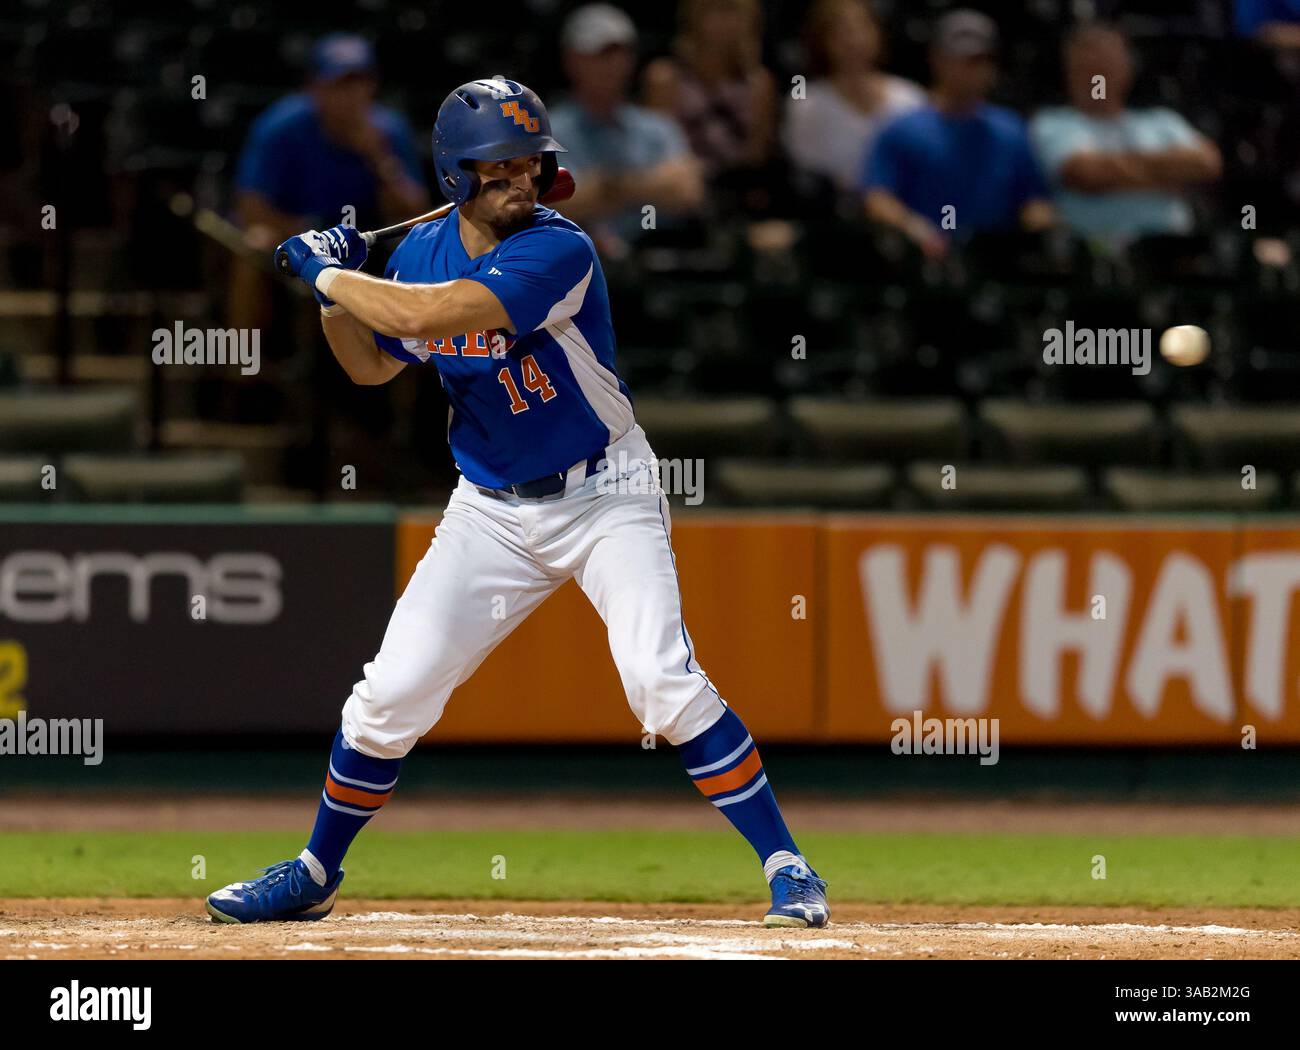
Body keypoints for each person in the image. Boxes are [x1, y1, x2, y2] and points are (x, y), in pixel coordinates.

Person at [205, 77, 829, 930]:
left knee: (658, 681)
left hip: (605, 490)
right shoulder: (418, 252)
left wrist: (325, 271)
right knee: (389, 696)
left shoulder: (558, 247)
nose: (520, 182)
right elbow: (370, 363)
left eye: (530, 165)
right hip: (490, 508)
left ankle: (790, 866)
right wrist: (336, 289)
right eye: (497, 169)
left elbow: (456, 310)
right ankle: (316, 870)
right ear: (455, 172)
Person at [862, 10, 1053, 259]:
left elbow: (1034, 200)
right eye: (963, 60)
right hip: (924, 260)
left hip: (998, 259)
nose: (973, 71)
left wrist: (1041, 227)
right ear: (937, 60)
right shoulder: (901, 130)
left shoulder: (1011, 130)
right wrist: (915, 229)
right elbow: (878, 198)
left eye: (981, 61)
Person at [1030, 24, 1222, 251]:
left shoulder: (1162, 121)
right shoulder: (1053, 124)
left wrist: (1115, 173)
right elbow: (1086, 175)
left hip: (1168, 253)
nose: (1096, 78)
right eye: (1086, 69)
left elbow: (1207, 164)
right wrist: (1168, 174)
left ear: (1127, 69)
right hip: (1090, 255)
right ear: (1068, 72)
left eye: (1104, 67)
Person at [548, 4, 705, 256]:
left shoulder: (657, 127)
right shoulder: (550, 132)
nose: (613, 64)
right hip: (582, 264)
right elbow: (553, 205)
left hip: (660, 256)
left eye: (621, 53)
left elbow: (688, 191)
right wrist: (651, 187)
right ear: (571, 59)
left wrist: (610, 188)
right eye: (601, 54)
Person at [783, 0, 925, 196]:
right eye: (841, 32)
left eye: (862, 28)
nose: (854, 40)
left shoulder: (910, 97)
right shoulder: (806, 104)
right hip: (834, 215)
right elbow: (807, 178)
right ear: (823, 41)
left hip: (904, 210)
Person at [642, 0, 777, 178]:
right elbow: (657, 150)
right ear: (695, 17)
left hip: (738, 187)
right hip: (682, 186)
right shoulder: (665, 78)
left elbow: (756, 155)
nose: (726, 21)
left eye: (734, 12)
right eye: (716, 11)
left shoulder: (759, 82)